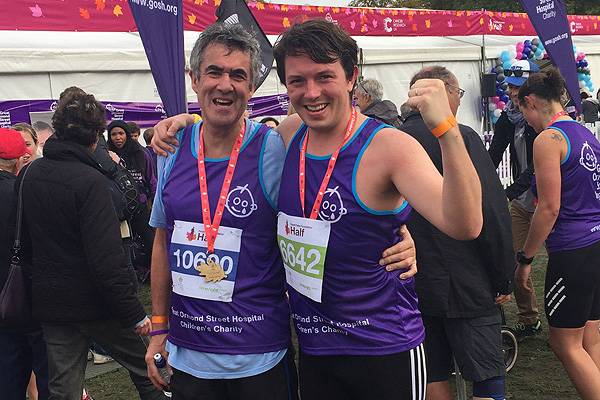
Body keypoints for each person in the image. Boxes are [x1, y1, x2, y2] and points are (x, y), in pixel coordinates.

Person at [152, 20, 482, 400]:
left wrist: (448, 131)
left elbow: (466, 223)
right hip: (315, 347)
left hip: (381, 346)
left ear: (351, 77)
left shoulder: (390, 146)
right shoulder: (289, 136)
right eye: (298, 81)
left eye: (324, 76)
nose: (311, 93)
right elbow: (228, 126)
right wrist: (186, 120)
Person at [17, 91, 165, 400]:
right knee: (147, 371)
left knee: (63, 388)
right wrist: (135, 313)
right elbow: (107, 258)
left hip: (52, 302)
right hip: (97, 302)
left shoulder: (31, 173)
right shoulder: (90, 182)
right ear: (96, 136)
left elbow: (25, 242)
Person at [402, 66, 513, 400]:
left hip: (415, 282)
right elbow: (491, 212)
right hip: (467, 281)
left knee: (433, 371)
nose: (458, 102)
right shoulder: (460, 136)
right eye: (458, 94)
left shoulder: (391, 138)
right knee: (486, 372)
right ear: (444, 92)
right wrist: (502, 277)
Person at [516, 68, 600, 399]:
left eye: (523, 110)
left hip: (573, 251)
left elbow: (548, 208)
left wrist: (525, 258)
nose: (526, 119)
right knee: (589, 338)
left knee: (564, 343)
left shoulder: (548, 139)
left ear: (531, 102)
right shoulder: (584, 132)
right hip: (595, 243)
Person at [487, 58, 542, 339]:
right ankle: (529, 320)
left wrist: (509, 191)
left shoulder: (544, 120)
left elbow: (538, 166)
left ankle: (580, 319)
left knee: (565, 262)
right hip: (522, 201)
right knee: (516, 259)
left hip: (548, 199)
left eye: (517, 87)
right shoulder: (510, 116)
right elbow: (495, 153)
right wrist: (482, 180)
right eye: (509, 86)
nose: (511, 93)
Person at [0, 128, 49, 400]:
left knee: (7, 380)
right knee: (47, 374)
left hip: (4, 306)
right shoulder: (23, 192)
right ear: (19, 160)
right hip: (30, 296)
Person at [108, 120, 156, 274]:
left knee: (149, 239)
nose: (118, 137)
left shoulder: (141, 153)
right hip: (119, 209)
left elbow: (151, 178)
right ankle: (135, 269)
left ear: (127, 135)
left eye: (121, 133)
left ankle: (152, 269)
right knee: (126, 243)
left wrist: (155, 202)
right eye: (113, 134)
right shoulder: (107, 155)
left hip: (141, 205)